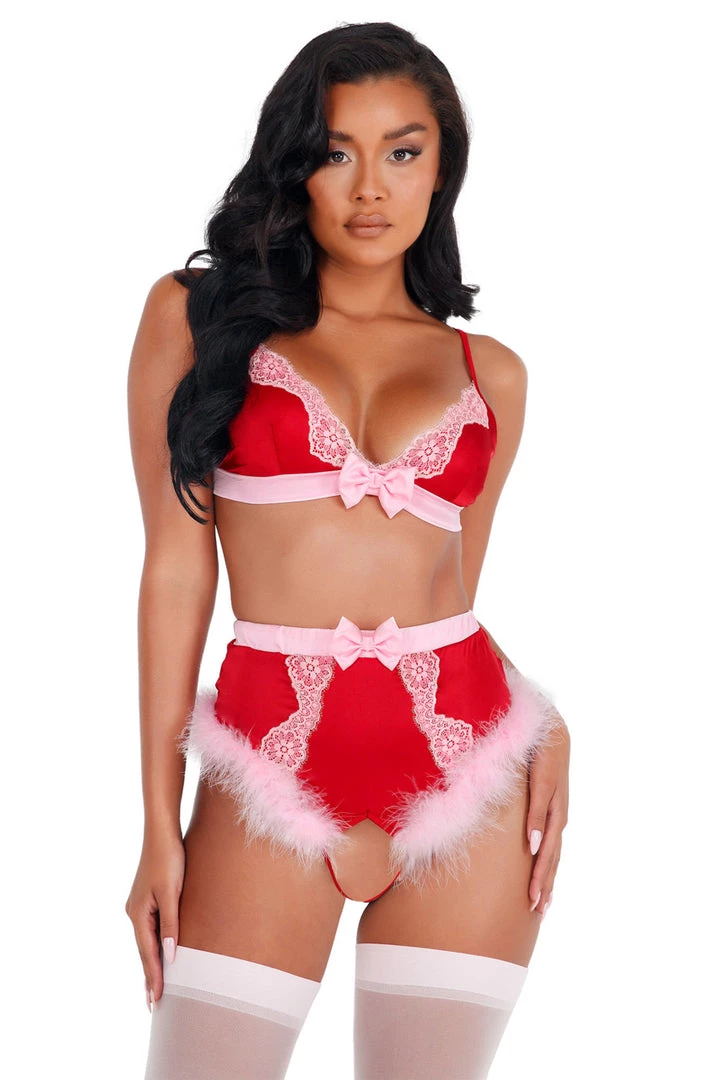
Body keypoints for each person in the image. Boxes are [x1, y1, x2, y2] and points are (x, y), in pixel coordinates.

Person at [125, 20, 570, 1080]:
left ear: (443, 166)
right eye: (336, 152)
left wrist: (544, 718)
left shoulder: (492, 374)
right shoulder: (196, 318)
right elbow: (176, 569)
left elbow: (449, 591)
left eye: (403, 151)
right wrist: (156, 822)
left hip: (474, 770)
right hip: (266, 764)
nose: (371, 188)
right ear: (296, 165)